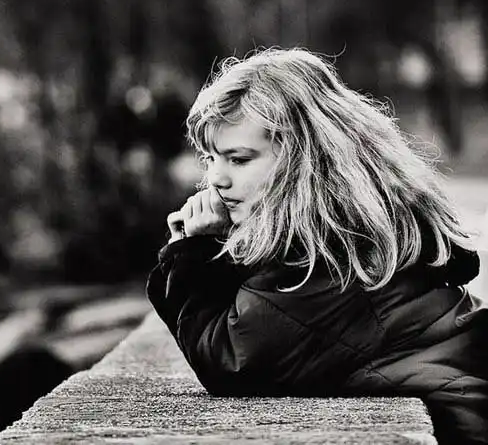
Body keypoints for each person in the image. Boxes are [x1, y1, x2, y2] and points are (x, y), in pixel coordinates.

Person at [146, 48, 487, 444]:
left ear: (302, 160)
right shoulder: (351, 225)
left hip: (459, 426)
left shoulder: (330, 256)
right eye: (210, 159)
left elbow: (234, 362)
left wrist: (193, 253)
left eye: (238, 160)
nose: (216, 179)